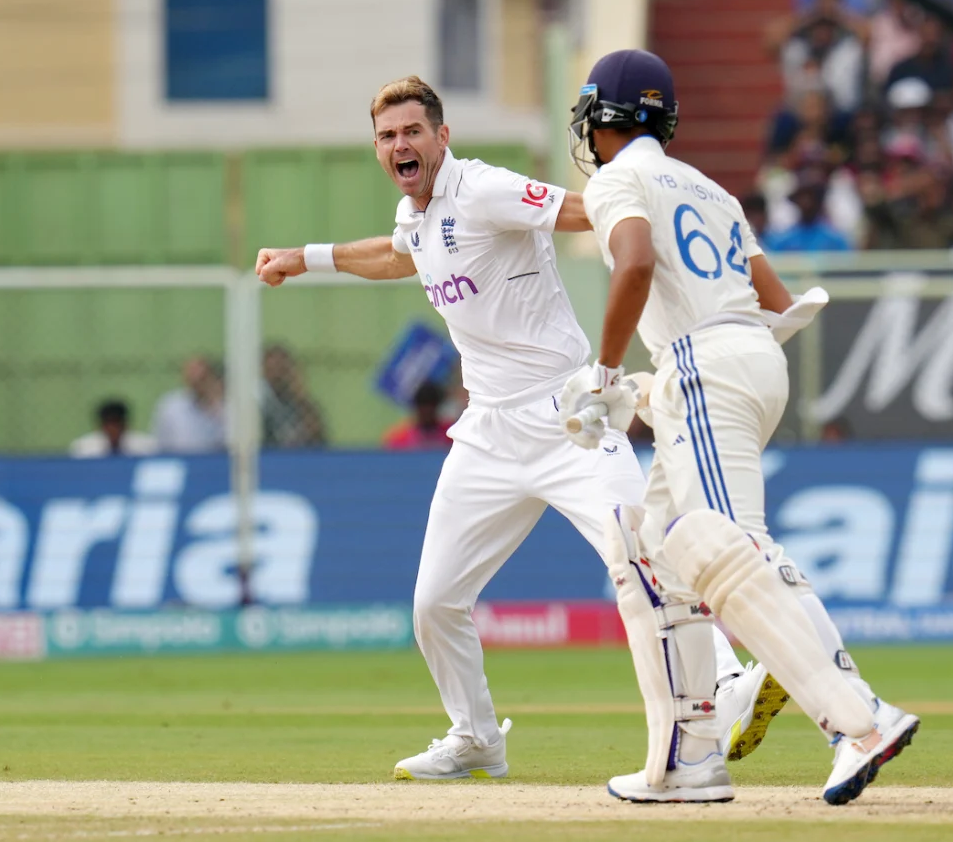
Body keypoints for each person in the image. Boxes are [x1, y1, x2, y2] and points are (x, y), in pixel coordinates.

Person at [253, 76, 774, 782]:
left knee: (643, 557)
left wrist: (667, 211)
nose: (400, 144)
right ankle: (475, 738)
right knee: (434, 603)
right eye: (387, 136)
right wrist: (304, 257)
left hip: (567, 418)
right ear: (377, 148)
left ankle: (730, 682)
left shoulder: (485, 189)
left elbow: (586, 211)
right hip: (489, 435)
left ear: (442, 136)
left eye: (413, 131)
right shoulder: (420, 214)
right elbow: (398, 254)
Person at [564, 48, 918, 805]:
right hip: (748, 357)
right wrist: (652, 388)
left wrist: (602, 371)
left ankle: (857, 718)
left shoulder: (620, 177)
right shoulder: (711, 187)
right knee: (651, 549)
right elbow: (772, 299)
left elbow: (632, 266)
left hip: (707, 364)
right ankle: (690, 754)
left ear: (604, 118)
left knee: (722, 543)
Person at [152, 356, 226, 454]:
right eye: (192, 378)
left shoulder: (226, 407)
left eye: (202, 379)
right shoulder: (171, 407)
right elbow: (160, 445)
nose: (197, 384)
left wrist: (214, 408)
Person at [261, 344, 327, 448]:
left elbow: (319, 439)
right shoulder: (258, 404)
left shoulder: (298, 405)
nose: (276, 376)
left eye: (282, 370)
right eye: (271, 370)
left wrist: (300, 395)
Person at [70, 399, 157, 458]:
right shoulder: (82, 448)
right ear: (101, 426)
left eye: (116, 423)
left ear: (125, 425)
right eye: (109, 423)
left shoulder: (146, 446)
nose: (113, 429)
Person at [382, 381, 456, 450]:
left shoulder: (451, 434)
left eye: (431, 405)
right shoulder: (399, 438)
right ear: (417, 407)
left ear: (437, 406)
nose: (427, 411)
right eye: (423, 405)